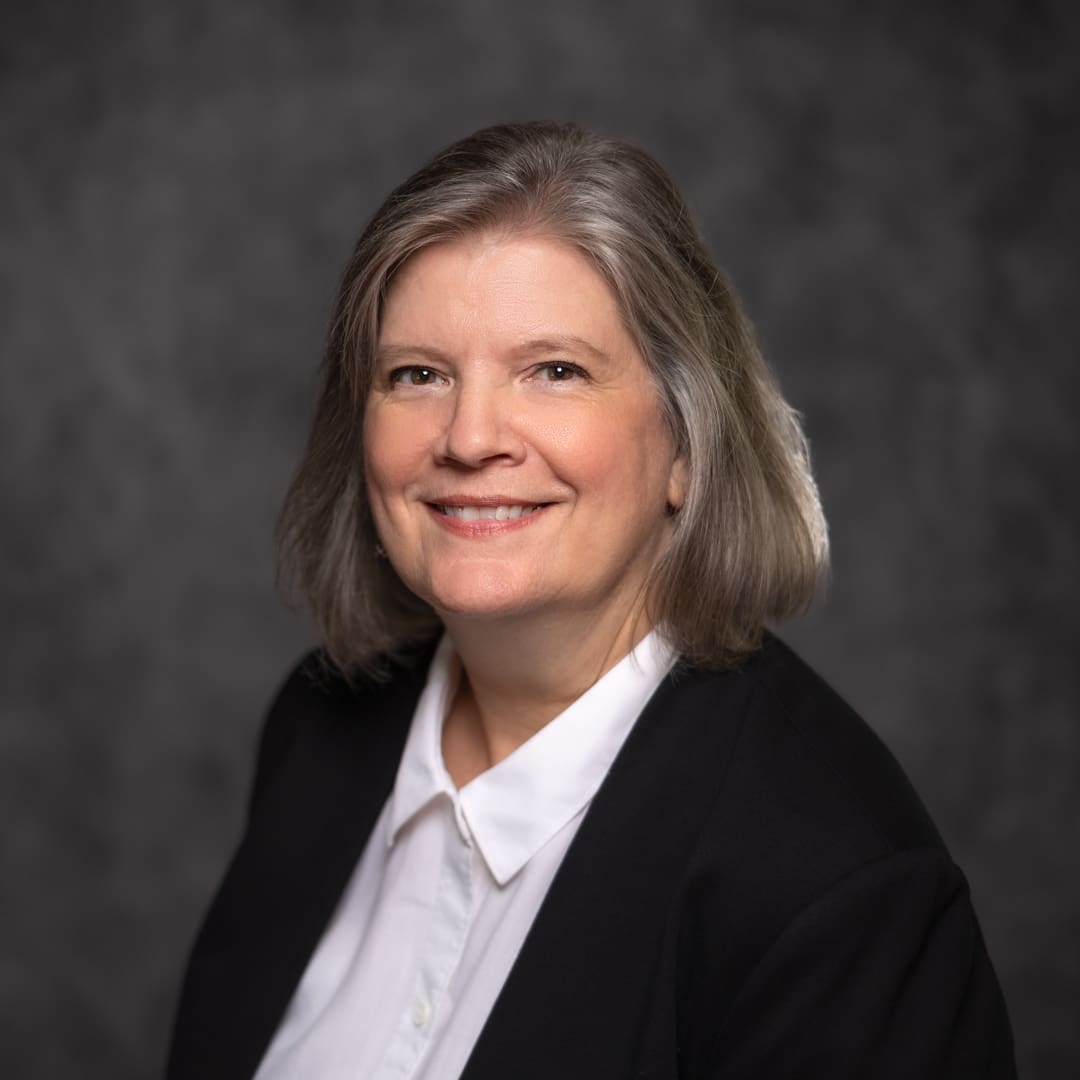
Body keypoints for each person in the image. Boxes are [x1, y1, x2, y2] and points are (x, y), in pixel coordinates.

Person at [166, 122, 1016, 1079]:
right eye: (419, 375)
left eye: (554, 371)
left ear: (688, 448)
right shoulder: (320, 725)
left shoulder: (841, 892)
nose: (469, 435)